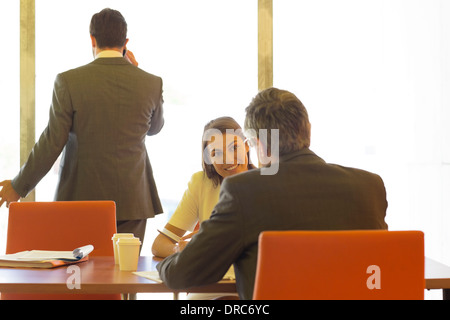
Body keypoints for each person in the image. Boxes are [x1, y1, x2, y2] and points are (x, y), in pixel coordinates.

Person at [157, 87, 388, 300]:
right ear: (308, 130)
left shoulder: (244, 192)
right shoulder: (369, 186)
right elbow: (379, 270)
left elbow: (181, 274)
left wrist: (164, 264)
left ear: (259, 145)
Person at [0, 8, 164, 244]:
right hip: (134, 201)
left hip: (81, 201)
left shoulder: (69, 82)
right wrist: (135, 73)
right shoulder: (151, 83)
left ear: (92, 40)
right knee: (124, 276)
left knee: (80, 275)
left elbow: (52, 141)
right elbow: (154, 128)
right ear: (125, 42)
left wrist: (19, 185)